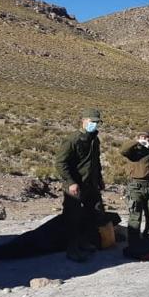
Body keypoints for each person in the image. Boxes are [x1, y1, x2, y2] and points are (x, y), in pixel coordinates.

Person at [54, 108, 106, 262]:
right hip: (75, 185)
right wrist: (70, 182)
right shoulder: (73, 140)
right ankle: (72, 249)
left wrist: (99, 179)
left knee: (93, 213)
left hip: (90, 184)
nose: (94, 124)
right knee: (73, 217)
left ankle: (84, 242)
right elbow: (60, 163)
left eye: (97, 122)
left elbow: (96, 162)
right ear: (83, 120)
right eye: (92, 121)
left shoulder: (95, 140)